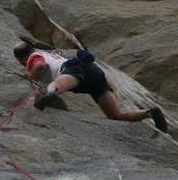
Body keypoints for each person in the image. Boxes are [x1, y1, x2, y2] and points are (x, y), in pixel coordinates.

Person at [13, 41, 168, 132]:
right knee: (116, 115)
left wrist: (30, 80)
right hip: (95, 73)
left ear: (21, 59)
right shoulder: (47, 53)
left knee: (58, 84)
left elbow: (39, 65)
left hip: (75, 68)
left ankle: (51, 93)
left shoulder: (33, 58)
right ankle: (150, 113)